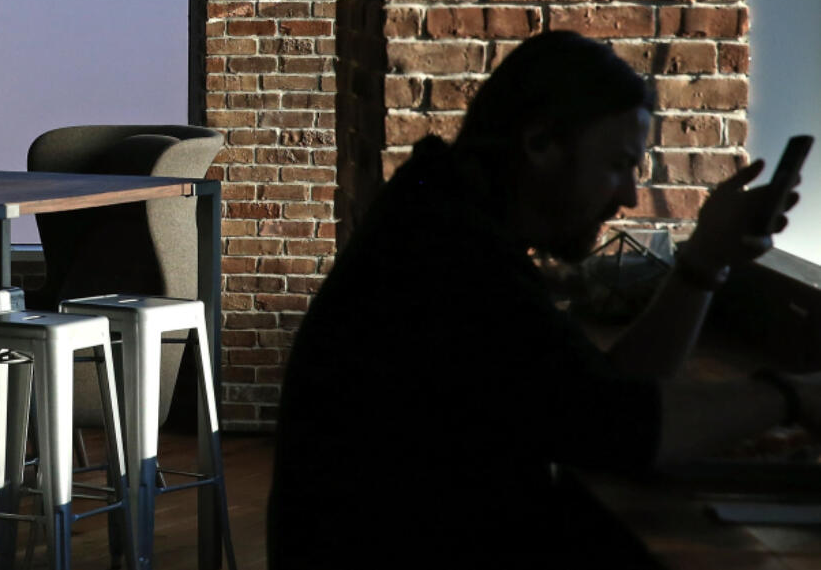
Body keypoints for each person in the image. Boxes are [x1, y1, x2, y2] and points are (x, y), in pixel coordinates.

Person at [267, 30, 814, 568]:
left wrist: (704, 262)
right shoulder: (451, 256)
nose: (628, 196)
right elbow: (617, 428)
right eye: (617, 164)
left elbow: (600, 398)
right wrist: (796, 396)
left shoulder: (442, 212)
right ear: (540, 144)